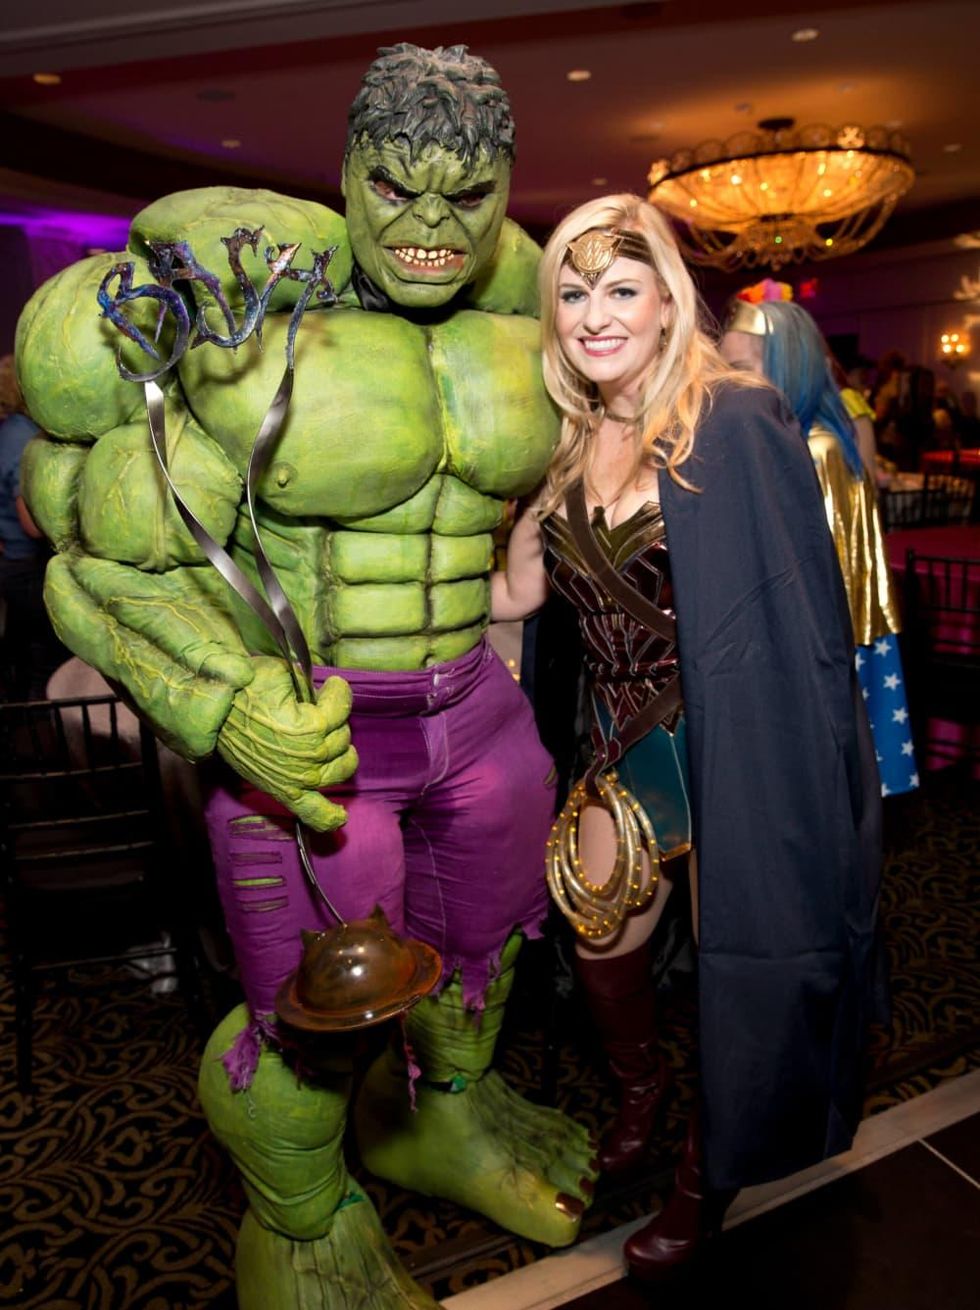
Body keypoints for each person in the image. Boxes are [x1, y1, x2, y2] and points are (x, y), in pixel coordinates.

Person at [15, 43, 595, 1310]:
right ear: (344, 173)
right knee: (310, 1010)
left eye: (468, 194)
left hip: (479, 709)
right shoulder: (251, 321)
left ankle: (443, 1119)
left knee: (483, 950)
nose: (433, 227)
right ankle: (300, 1222)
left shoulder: (532, 310)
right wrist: (225, 704)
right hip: (320, 736)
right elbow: (94, 564)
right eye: (395, 188)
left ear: (505, 185)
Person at [493, 194, 882, 1279]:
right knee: (597, 939)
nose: (595, 315)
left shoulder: (734, 417)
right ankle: (643, 1094)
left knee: (742, 960)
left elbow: (798, 614)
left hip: (737, 742)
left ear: (667, 300)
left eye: (621, 289)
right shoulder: (567, 439)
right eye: (574, 293)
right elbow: (518, 594)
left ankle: (710, 1171)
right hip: (618, 741)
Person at [720, 293, 919, 797]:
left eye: (739, 370)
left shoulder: (816, 448)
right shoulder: (784, 437)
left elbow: (810, 575)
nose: (724, 385)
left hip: (817, 648)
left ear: (787, 367)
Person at [0, 355, 65, 699]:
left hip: (11, 564)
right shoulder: (25, 439)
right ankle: (44, 725)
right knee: (47, 661)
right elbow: (32, 526)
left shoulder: (8, 431)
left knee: (20, 655)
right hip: (28, 568)